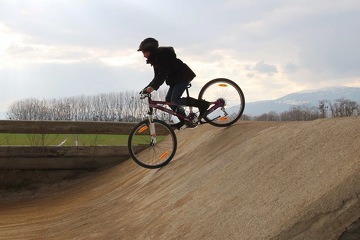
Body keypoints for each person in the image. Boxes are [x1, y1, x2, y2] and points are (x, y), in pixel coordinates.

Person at [137, 37, 210, 129]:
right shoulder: (155, 59)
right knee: (169, 100)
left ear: (150, 50)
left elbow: (163, 73)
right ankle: (185, 120)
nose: (143, 55)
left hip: (183, 76)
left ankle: (203, 104)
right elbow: (157, 77)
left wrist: (152, 87)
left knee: (175, 100)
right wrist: (147, 88)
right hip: (175, 79)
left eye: (144, 52)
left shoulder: (162, 56)